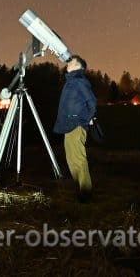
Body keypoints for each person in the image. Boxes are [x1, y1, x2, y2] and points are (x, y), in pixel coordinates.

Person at [53, 54, 97, 201]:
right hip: (68, 126)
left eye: (71, 61)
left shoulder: (79, 81)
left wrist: (86, 119)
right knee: (71, 159)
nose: (68, 62)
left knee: (78, 158)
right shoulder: (72, 81)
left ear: (79, 66)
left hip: (77, 125)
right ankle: (80, 189)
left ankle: (86, 193)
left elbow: (92, 102)